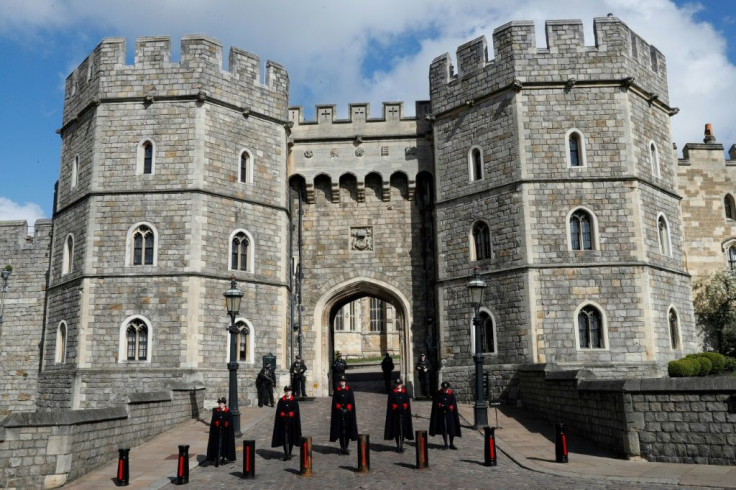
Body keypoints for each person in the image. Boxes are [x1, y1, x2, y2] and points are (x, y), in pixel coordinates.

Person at [271, 386, 302, 461]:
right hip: (283, 423)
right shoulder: (281, 400)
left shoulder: (294, 400)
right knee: (285, 439)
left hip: (292, 423)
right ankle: (286, 454)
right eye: (286, 391)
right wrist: (282, 414)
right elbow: (279, 410)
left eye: (289, 391)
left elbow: (296, 410)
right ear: (285, 392)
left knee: (291, 438)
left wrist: (292, 413)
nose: (287, 392)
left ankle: (289, 453)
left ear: (291, 392)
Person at [329, 375, 358, 455]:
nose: (342, 382)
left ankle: (346, 447)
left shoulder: (349, 390)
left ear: (345, 382)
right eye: (341, 381)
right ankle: (342, 447)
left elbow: (351, 401)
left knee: (347, 431)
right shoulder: (337, 391)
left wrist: (347, 408)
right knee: (341, 431)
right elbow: (335, 402)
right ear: (339, 382)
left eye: (343, 381)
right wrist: (340, 408)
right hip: (339, 413)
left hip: (348, 413)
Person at [429, 381, 462, 450]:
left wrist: (446, 406)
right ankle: (446, 444)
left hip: (450, 414)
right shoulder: (438, 394)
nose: (445, 389)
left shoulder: (451, 395)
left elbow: (453, 405)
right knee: (444, 428)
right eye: (444, 388)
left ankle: (451, 443)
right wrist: (442, 406)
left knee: (451, 429)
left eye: (446, 388)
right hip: (442, 414)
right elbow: (437, 403)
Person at [384, 378, 413, 453]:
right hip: (395, 414)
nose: (398, 385)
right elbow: (390, 403)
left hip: (403, 414)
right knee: (397, 431)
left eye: (399, 384)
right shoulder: (392, 393)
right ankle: (397, 445)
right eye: (397, 384)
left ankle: (401, 445)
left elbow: (407, 402)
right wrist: (395, 407)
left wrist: (404, 406)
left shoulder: (405, 392)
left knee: (402, 430)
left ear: (401, 384)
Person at [206, 397, 236, 466]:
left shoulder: (228, 412)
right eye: (219, 404)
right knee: (217, 444)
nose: (220, 405)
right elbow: (213, 420)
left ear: (224, 404)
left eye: (221, 404)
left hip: (225, 432)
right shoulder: (216, 411)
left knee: (224, 444)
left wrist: (226, 424)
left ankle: (223, 458)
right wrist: (216, 423)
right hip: (217, 431)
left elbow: (230, 423)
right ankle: (216, 457)